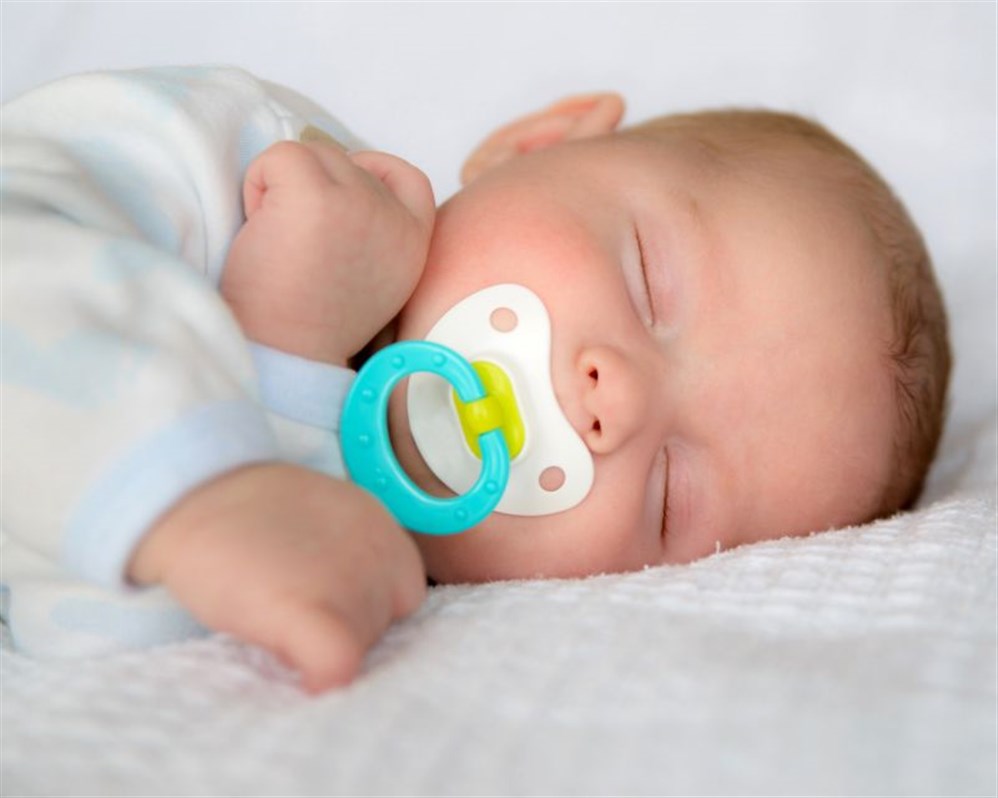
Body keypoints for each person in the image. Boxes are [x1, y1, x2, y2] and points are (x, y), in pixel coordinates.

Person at [0, 66, 950, 692]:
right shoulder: (251, 162)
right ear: (539, 145)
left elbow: (86, 652)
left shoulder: (376, 601)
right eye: (647, 281)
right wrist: (207, 488)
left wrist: (284, 381)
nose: (614, 402)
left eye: (671, 496)